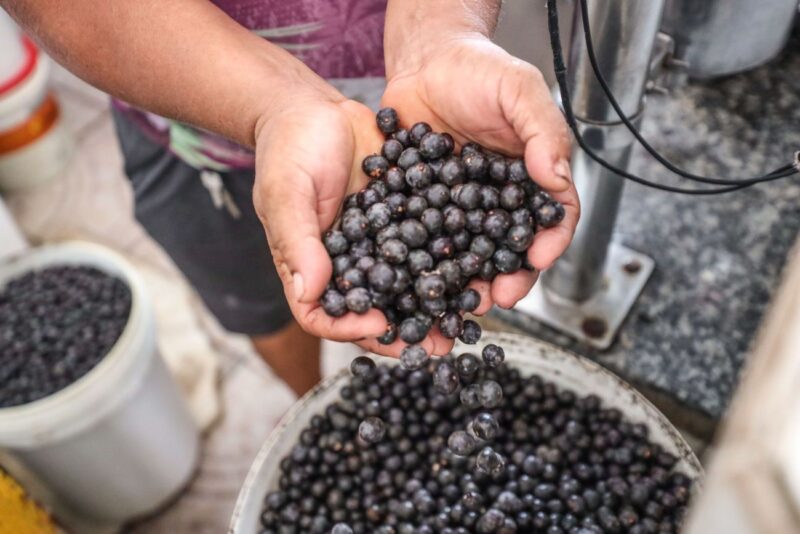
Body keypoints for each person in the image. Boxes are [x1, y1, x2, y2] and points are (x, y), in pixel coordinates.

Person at [2, 0, 578, 396]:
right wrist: (274, 106)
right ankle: (313, 395)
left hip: (439, 98)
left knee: (324, 287)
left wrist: (439, 32)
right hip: (195, 129)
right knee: (260, 300)